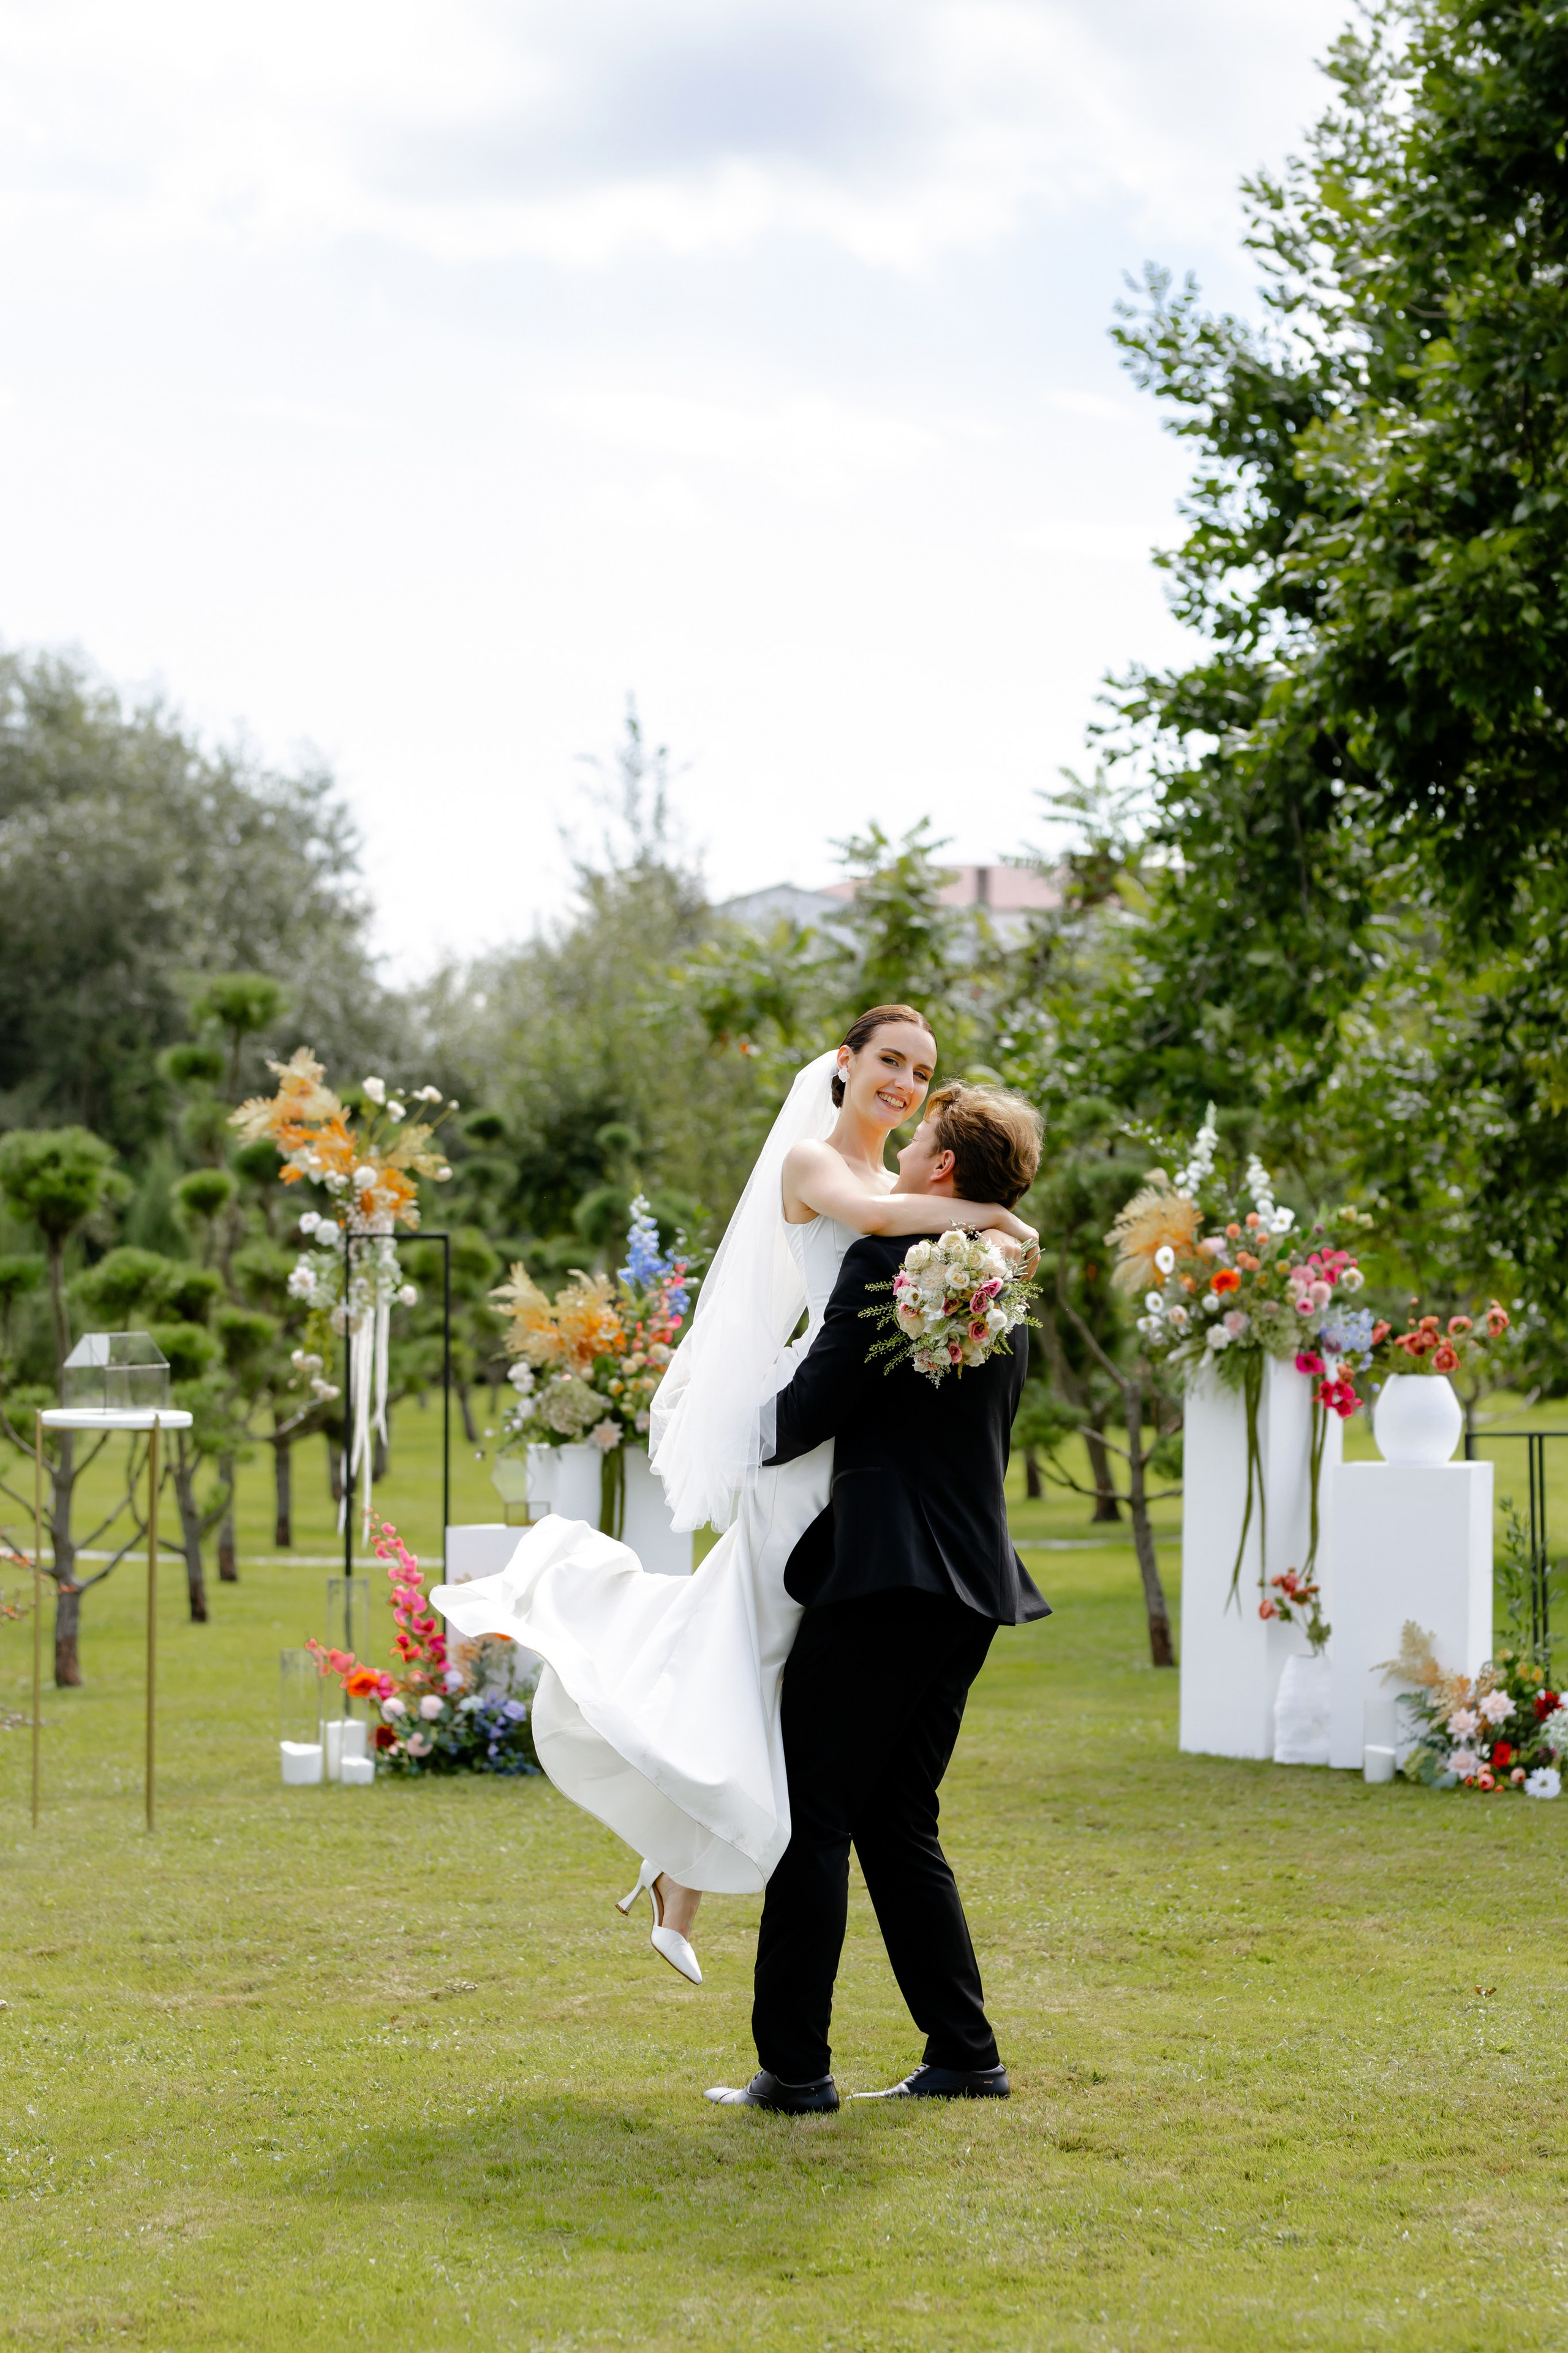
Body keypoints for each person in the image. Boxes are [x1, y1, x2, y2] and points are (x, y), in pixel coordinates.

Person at [429, 1008, 1036, 1983]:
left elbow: (905, 1233)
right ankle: (678, 1857)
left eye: (922, 1072)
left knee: (760, 1658)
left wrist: (986, 1230)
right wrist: (999, 1221)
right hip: (813, 1430)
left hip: (859, 1449)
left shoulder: (906, 1185)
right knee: (752, 1647)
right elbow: (880, 1227)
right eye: (890, 1060)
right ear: (845, 1062)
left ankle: (679, 1867)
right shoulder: (818, 1164)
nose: (906, 1083)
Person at [704, 1083, 1049, 2113]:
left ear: (942, 1166)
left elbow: (815, 1405)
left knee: (814, 1812)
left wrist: (711, 1436)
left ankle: (795, 2070)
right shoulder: (1006, 1281)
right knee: (898, 1819)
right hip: (972, 1580)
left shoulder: (890, 1260)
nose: (899, 1151)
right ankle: (965, 2055)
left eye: (918, 1139)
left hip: (886, 1574)